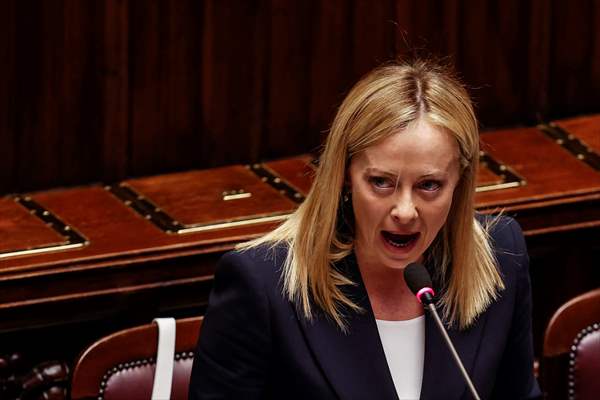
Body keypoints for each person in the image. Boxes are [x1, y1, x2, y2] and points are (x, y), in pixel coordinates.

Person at [189, 59, 542, 399]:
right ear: (345, 175)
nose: (405, 211)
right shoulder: (263, 285)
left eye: (429, 185)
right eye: (381, 182)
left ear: (459, 183)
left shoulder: (500, 257)